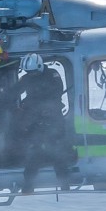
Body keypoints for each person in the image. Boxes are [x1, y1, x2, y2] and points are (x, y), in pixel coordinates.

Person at [16, 54, 75, 193]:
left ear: (40, 66)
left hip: (54, 121)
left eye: (33, 72)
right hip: (37, 123)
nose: (32, 75)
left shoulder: (53, 75)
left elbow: (54, 94)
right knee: (34, 153)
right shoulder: (28, 77)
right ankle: (28, 185)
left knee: (57, 152)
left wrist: (37, 106)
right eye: (29, 73)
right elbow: (16, 90)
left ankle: (64, 184)